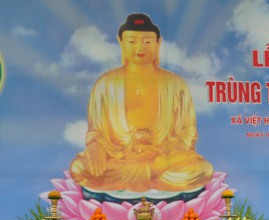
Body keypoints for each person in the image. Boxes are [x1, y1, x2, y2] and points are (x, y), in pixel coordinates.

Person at [70, 13, 214, 193]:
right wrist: (96, 149)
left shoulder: (175, 84)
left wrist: (160, 151)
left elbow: (187, 133)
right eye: (131, 41)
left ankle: (143, 176)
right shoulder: (105, 84)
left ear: (158, 43)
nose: (139, 47)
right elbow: (96, 132)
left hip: (161, 160)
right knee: (79, 168)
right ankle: (151, 175)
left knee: (202, 170)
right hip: (120, 158)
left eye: (147, 41)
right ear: (121, 42)